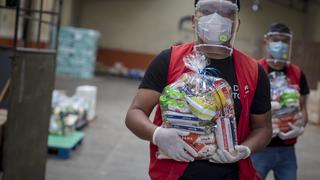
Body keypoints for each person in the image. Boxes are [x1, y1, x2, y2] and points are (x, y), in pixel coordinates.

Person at [125, 0, 272, 179]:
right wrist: (157, 134)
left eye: (226, 12)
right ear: (194, 20)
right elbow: (135, 113)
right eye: (208, 10)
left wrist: (245, 149)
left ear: (237, 24)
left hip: (231, 174)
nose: (216, 19)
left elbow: (263, 128)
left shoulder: (254, 72)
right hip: (173, 174)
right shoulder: (169, 60)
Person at [252, 23, 310, 180]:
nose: (280, 44)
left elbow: (303, 108)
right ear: (266, 42)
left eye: (284, 41)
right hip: (260, 149)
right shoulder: (254, 69)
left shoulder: (297, 73)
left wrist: (300, 127)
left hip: (287, 150)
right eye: (276, 40)